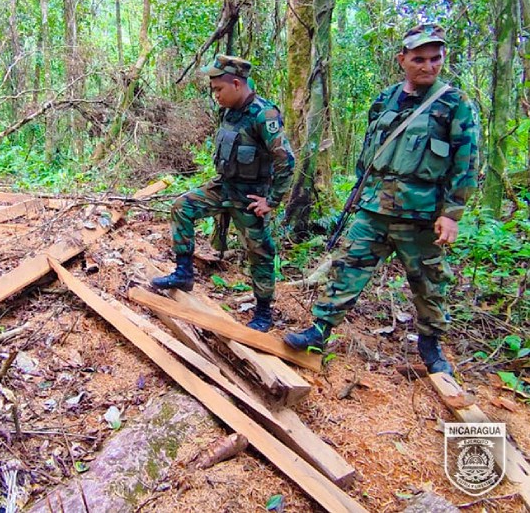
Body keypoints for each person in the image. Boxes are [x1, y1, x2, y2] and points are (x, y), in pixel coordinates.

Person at [283, 24, 480, 375]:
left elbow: (466, 162)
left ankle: (431, 345)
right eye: (419, 58)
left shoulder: (455, 103)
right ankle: (319, 330)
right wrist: (359, 192)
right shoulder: (384, 99)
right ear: (402, 59)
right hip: (373, 208)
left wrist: (451, 213)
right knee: (346, 267)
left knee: (429, 282)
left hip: (420, 214)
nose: (428, 66)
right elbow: (369, 153)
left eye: (436, 58)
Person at [151, 54, 295, 332]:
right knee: (182, 207)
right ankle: (183, 273)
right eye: (213, 89)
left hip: (250, 198)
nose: (215, 95)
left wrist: (272, 200)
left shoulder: (264, 115)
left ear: (238, 84)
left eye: (219, 89)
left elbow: (285, 160)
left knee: (260, 252)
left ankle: (263, 312)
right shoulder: (230, 111)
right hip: (223, 187)